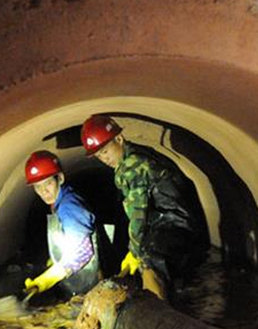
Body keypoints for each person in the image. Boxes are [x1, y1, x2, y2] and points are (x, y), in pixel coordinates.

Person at [80, 114, 209, 300]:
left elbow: (138, 214)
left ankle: (156, 318)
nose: (103, 158)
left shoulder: (133, 165)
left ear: (119, 138)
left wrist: (135, 253)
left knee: (148, 257)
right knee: (150, 258)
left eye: (105, 151)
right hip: (172, 221)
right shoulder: (135, 155)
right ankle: (170, 301)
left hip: (175, 223)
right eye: (99, 155)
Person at [23, 150, 101, 299]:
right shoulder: (59, 200)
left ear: (60, 178)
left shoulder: (69, 207)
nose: (43, 191)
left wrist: (48, 278)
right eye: (37, 186)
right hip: (80, 282)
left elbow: (82, 253)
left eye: (48, 183)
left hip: (88, 284)